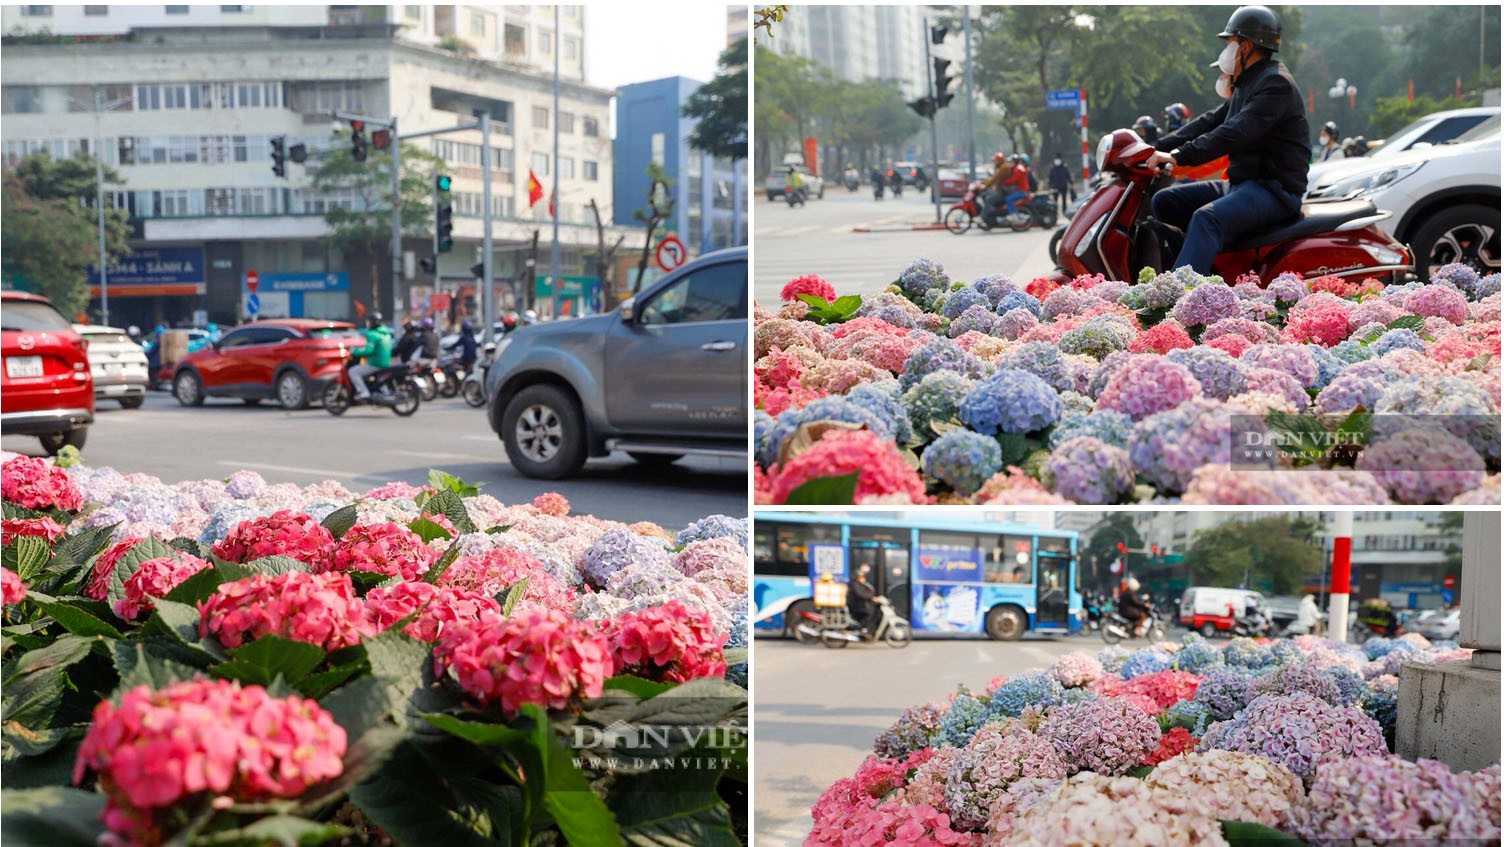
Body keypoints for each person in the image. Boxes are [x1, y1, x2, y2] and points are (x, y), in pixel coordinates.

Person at [1147, 6, 1309, 276]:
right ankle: (1208, 276)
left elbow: (1234, 132)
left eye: (1230, 43)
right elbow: (1210, 121)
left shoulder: (1275, 85)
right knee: (1164, 202)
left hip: (1274, 190)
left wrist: (1178, 157)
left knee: (1206, 218)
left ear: (1245, 46)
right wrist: (1154, 148)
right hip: (1243, 184)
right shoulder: (1249, 83)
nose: (1226, 51)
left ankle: (1178, 297)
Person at [349, 314, 392, 401]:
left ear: (373, 322)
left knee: (353, 371)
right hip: (386, 363)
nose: (369, 324)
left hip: (375, 363)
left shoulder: (373, 334)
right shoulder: (386, 334)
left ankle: (363, 392)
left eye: (370, 322)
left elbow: (368, 350)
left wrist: (355, 351)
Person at [847, 564, 881, 635]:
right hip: (856, 606)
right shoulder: (854, 585)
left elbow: (867, 591)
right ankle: (863, 628)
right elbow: (861, 594)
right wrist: (871, 598)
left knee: (875, 611)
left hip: (860, 604)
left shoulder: (860, 584)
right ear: (857, 578)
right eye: (861, 577)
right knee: (869, 613)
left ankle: (866, 628)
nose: (863, 579)